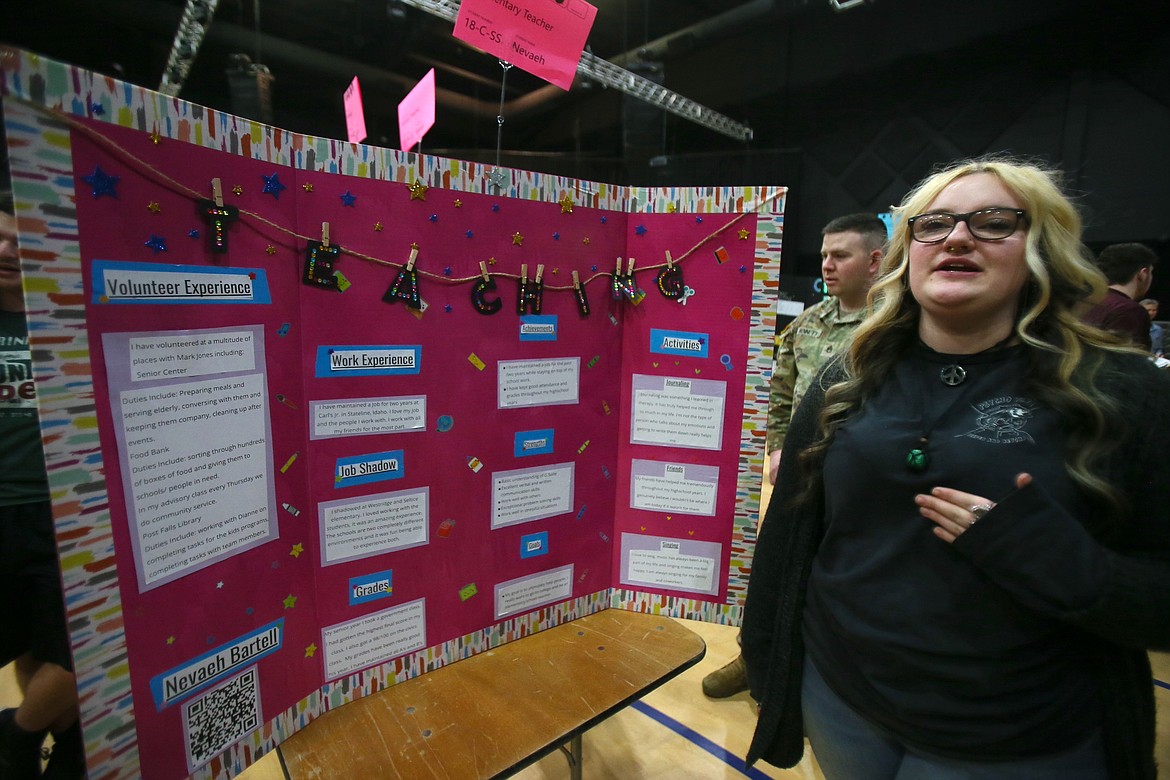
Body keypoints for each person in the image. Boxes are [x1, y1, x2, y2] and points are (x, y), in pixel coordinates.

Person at [742, 157, 1170, 780]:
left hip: (1012, 738)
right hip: (843, 704)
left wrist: (1065, 564)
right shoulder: (847, 377)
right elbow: (788, 541)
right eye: (933, 224)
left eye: (994, 222)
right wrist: (768, 662)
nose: (957, 237)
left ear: (1041, 250)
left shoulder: (1121, 391)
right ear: (907, 252)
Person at [702, 213, 886, 699]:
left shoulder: (897, 327)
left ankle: (816, 684)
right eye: (824, 255)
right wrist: (779, 445)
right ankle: (755, 658)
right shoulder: (808, 323)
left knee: (835, 585)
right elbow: (779, 391)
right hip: (801, 475)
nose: (827, 265)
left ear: (875, 260)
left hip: (861, 485)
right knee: (774, 571)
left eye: (840, 255)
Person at [0, 201, 86, 779]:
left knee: (80, 647)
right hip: (4, 512)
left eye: (18, 235)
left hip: (69, 507)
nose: (8, 249)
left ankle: (15, 735)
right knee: (29, 641)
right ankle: (66, 747)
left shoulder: (68, 316)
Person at [1082, 242, 1157, 350]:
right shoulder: (1130, 311)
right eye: (1151, 272)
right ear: (1143, 274)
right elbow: (1130, 362)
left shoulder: (1084, 302)